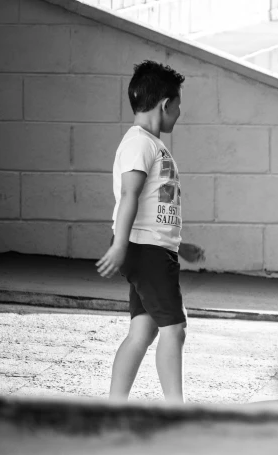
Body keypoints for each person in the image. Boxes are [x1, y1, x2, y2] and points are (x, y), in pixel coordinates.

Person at [96, 60, 188, 403]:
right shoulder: (139, 143)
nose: (180, 113)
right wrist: (120, 244)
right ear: (165, 104)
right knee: (175, 330)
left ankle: (115, 405)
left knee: (143, 329)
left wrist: (181, 243)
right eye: (178, 106)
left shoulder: (150, 144)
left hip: (150, 247)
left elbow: (151, 204)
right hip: (144, 250)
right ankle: (176, 410)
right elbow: (129, 195)